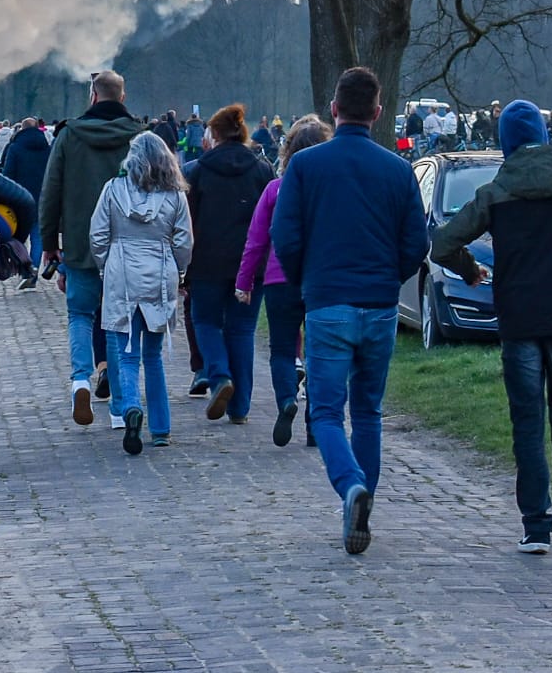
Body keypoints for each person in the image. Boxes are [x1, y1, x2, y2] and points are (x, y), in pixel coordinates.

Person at [430, 99, 552, 554]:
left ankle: (536, 526)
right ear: (544, 135)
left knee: (527, 421)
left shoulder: (495, 192)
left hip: (518, 317)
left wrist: (471, 271)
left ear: (506, 144)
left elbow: (442, 244)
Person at [271, 67, 428, 556]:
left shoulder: (305, 166)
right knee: (367, 411)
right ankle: (364, 503)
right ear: (377, 112)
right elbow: (416, 243)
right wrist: (389, 277)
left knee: (324, 412)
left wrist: (305, 279)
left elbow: (284, 236)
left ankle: (350, 486)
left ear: (334, 109)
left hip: (327, 301)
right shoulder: (398, 170)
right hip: (379, 304)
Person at [38, 70, 147, 427]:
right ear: (123, 97)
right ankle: (118, 408)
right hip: (127, 244)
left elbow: (51, 192)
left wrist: (49, 244)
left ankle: (81, 380)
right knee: (117, 322)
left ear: (93, 96)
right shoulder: (140, 137)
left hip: (81, 243)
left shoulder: (69, 135)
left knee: (80, 315)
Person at [89, 131, 194, 453]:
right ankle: (160, 427)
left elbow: (98, 235)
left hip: (122, 271)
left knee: (127, 354)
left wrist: (106, 267)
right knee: (153, 355)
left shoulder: (112, 189)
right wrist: (179, 272)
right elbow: (184, 240)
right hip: (159, 272)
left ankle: (131, 406)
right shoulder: (175, 196)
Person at [237, 115, 331, 446]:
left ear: (287, 150)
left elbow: (256, 241)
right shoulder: (330, 193)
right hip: (320, 279)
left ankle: (287, 398)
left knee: (281, 347)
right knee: (319, 350)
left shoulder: (275, 190)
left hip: (279, 278)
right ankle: (314, 423)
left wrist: (244, 281)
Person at [183, 103, 273, 425]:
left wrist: (184, 268)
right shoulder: (262, 170)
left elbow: (188, 223)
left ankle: (219, 376)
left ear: (214, 134)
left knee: (205, 321)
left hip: (206, 263)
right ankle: (240, 408)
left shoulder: (196, 171)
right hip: (251, 265)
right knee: (242, 330)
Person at [0, 116, 50, 290]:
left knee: (18, 238)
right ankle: (32, 271)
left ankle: (24, 268)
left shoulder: (15, 148)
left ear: (21, 129)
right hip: (42, 199)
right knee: (37, 238)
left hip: (20, 199)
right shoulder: (47, 148)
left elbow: (7, 174)